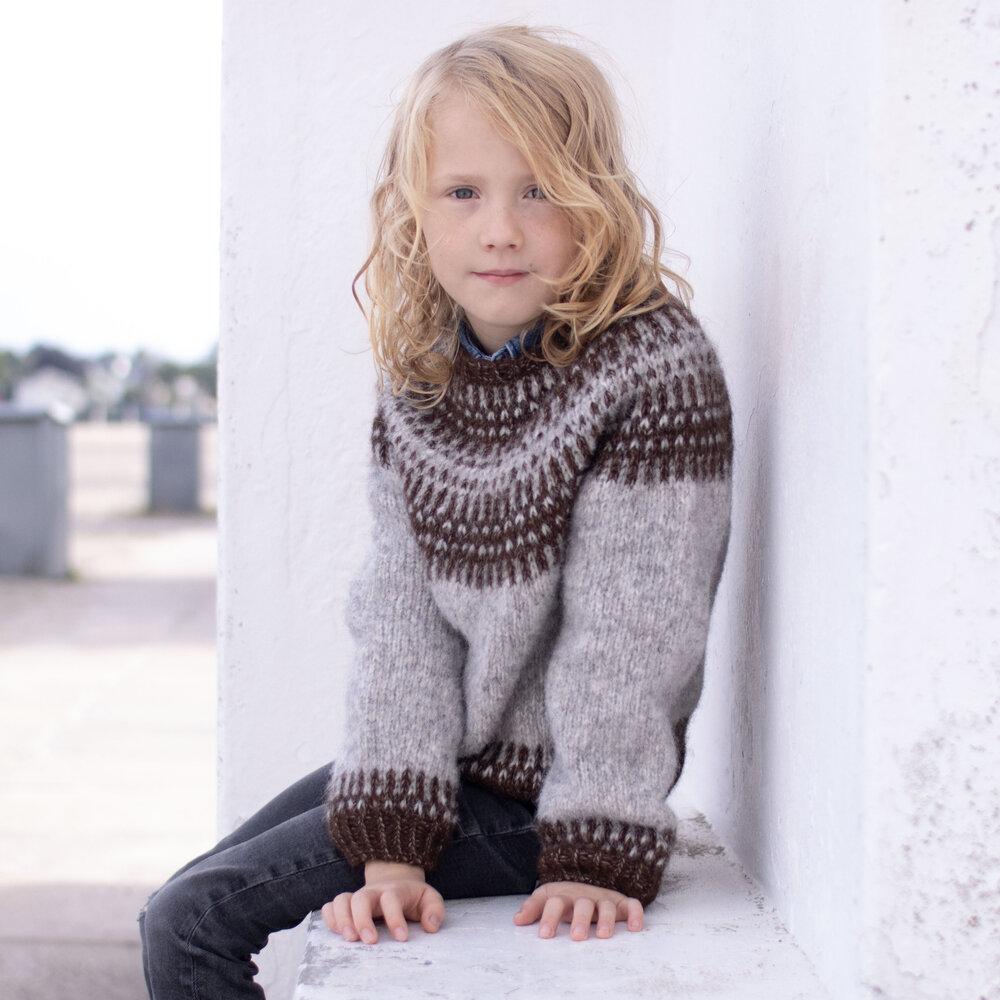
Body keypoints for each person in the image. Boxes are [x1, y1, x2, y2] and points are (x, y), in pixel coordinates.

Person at [138, 22, 734, 998]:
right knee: (179, 901)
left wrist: (594, 847)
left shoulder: (649, 365)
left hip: (554, 803)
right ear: (414, 208)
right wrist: (392, 843)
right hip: (455, 771)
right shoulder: (425, 373)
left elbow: (633, 632)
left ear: (596, 198)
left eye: (538, 189)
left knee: (192, 924)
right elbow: (402, 620)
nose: (499, 228)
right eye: (462, 192)